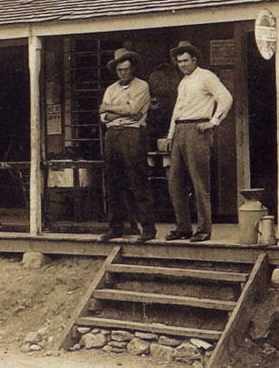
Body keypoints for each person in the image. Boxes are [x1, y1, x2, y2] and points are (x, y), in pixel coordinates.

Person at [161, 41, 233, 243]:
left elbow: (226, 98)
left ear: (194, 60)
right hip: (180, 131)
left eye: (185, 61)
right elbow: (177, 110)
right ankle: (183, 227)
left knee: (199, 182)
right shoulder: (183, 81)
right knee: (175, 182)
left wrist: (214, 121)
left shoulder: (206, 77)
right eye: (179, 62)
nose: (182, 65)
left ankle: (203, 229)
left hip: (197, 129)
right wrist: (170, 135)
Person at [98, 48, 157, 243]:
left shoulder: (142, 86)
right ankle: (116, 228)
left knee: (137, 180)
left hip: (132, 134)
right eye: (119, 70)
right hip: (112, 135)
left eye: (126, 69)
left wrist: (112, 109)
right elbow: (103, 116)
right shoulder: (111, 89)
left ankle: (147, 228)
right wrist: (120, 111)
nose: (123, 73)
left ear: (132, 69)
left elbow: (134, 110)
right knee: (113, 182)